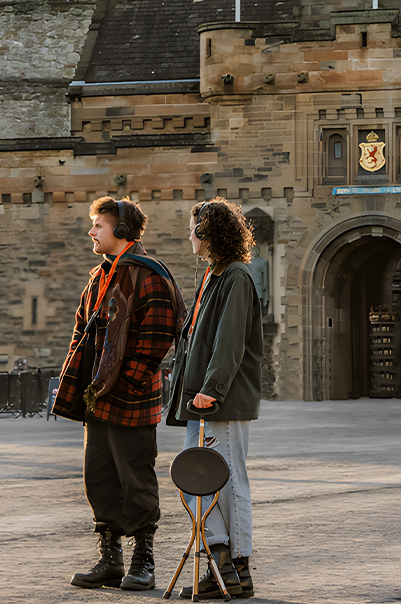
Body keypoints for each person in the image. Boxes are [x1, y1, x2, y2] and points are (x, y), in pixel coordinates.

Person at [54, 197, 185, 592]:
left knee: (136, 478)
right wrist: (83, 386)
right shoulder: (99, 276)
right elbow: (82, 331)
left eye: (98, 225)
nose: (91, 231)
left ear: (122, 231)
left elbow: (156, 338)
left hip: (131, 397)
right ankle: (110, 559)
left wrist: (124, 383)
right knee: (99, 477)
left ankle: (143, 559)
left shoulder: (150, 275)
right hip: (99, 396)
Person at [166, 198, 263, 600]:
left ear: (208, 233)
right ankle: (225, 562)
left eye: (194, 229)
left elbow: (229, 342)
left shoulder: (236, 277)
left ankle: (233, 563)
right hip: (200, 399)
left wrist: (212, 389)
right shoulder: (215, 275)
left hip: (217, 400)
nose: (189, 236)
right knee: (197, 480)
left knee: (226, 481)